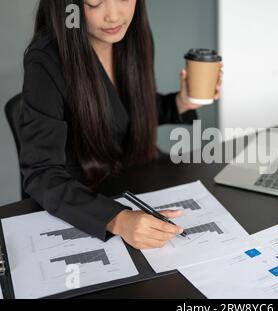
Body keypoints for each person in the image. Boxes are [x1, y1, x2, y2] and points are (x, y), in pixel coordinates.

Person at [18, 0, 223, 249]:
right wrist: (116, 219)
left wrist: (180, 103)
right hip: (85, 199)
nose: (114, 16)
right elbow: (41, 173)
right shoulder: (47, 59)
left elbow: (122, 113)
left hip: (134, 178)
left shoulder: (131, 37)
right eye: (95, 2)